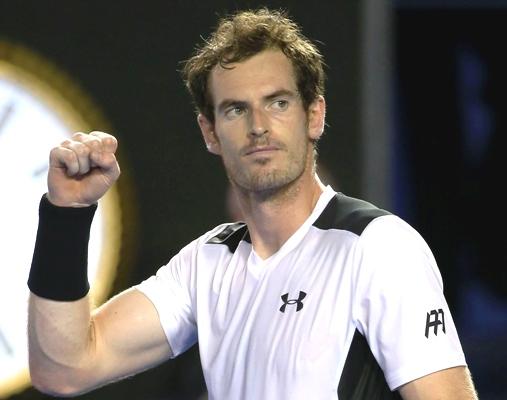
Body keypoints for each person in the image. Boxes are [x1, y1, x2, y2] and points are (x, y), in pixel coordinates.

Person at [27, 8, 479, 400]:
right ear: (210, 133)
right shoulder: (207, 263)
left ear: (314, 116)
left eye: (278, 103)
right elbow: (63, 369)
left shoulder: (378, 248)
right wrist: (65, 216)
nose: (259, 126)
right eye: (236, 110)